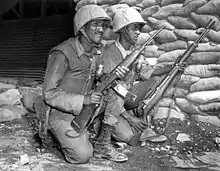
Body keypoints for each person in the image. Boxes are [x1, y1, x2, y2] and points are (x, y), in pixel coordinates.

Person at [42, 4, 130, 164]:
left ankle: (102, 142)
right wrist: (84, 100)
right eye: (95, 24)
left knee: (126, 134)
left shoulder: (97, 51)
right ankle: (53, 133)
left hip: (89, 107)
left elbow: (97, 78)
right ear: (82, 27)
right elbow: (49, 94)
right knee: (83, 155)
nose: (101, 29)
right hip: (61, 113)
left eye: (103, 25)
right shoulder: (62, 53)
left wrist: (113, 77)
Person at [94, 7, 170, 158]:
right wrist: (130, 119)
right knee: (129, 137)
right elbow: (110, 91)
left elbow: (148, 72)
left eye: (139, 29)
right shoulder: (109, 53)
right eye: (134, 28)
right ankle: (100, 131)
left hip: (126, 101)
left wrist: (172, 67)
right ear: (122, 30)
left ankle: (143, 120)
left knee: (157, 82)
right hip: (109, 104)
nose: (138, 32)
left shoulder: (135, 52)